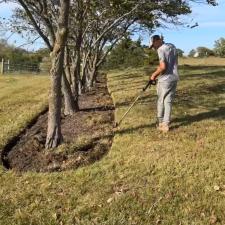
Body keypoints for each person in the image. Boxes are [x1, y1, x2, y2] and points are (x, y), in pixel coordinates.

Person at [149, 34, 179, 132]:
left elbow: (163, 67)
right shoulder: (172, 46)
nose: (153, 48)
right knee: (168, 101)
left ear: (157, 41)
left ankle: (161, 122)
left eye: (153, 45)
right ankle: (166, 124)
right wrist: (158, 70)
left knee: (161, 100)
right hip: (174, 78)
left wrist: (153, 75)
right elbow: (167, 64)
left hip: (165, 80)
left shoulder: (161, 49)